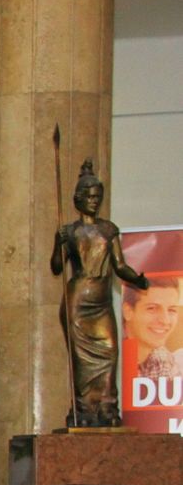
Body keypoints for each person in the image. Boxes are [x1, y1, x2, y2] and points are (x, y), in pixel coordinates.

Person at [50, 160, 149, 427]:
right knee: (81, 362)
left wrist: (138, 280)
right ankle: (83, 410)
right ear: (78, 199)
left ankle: (106, 408)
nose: (94, 202)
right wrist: (58, 243)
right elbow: (57, 267)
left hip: (101, 303)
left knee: (110, 353)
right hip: (78, 301)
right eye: (90, 197)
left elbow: (120, 266)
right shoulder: (70, 232)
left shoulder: (108, 229)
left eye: (98, 197)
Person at [123, 275, 181, 379]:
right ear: (128, 311)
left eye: (171, 310)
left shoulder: (162, 357)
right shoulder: (105, 355)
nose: (165, 321)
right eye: (152, 308)